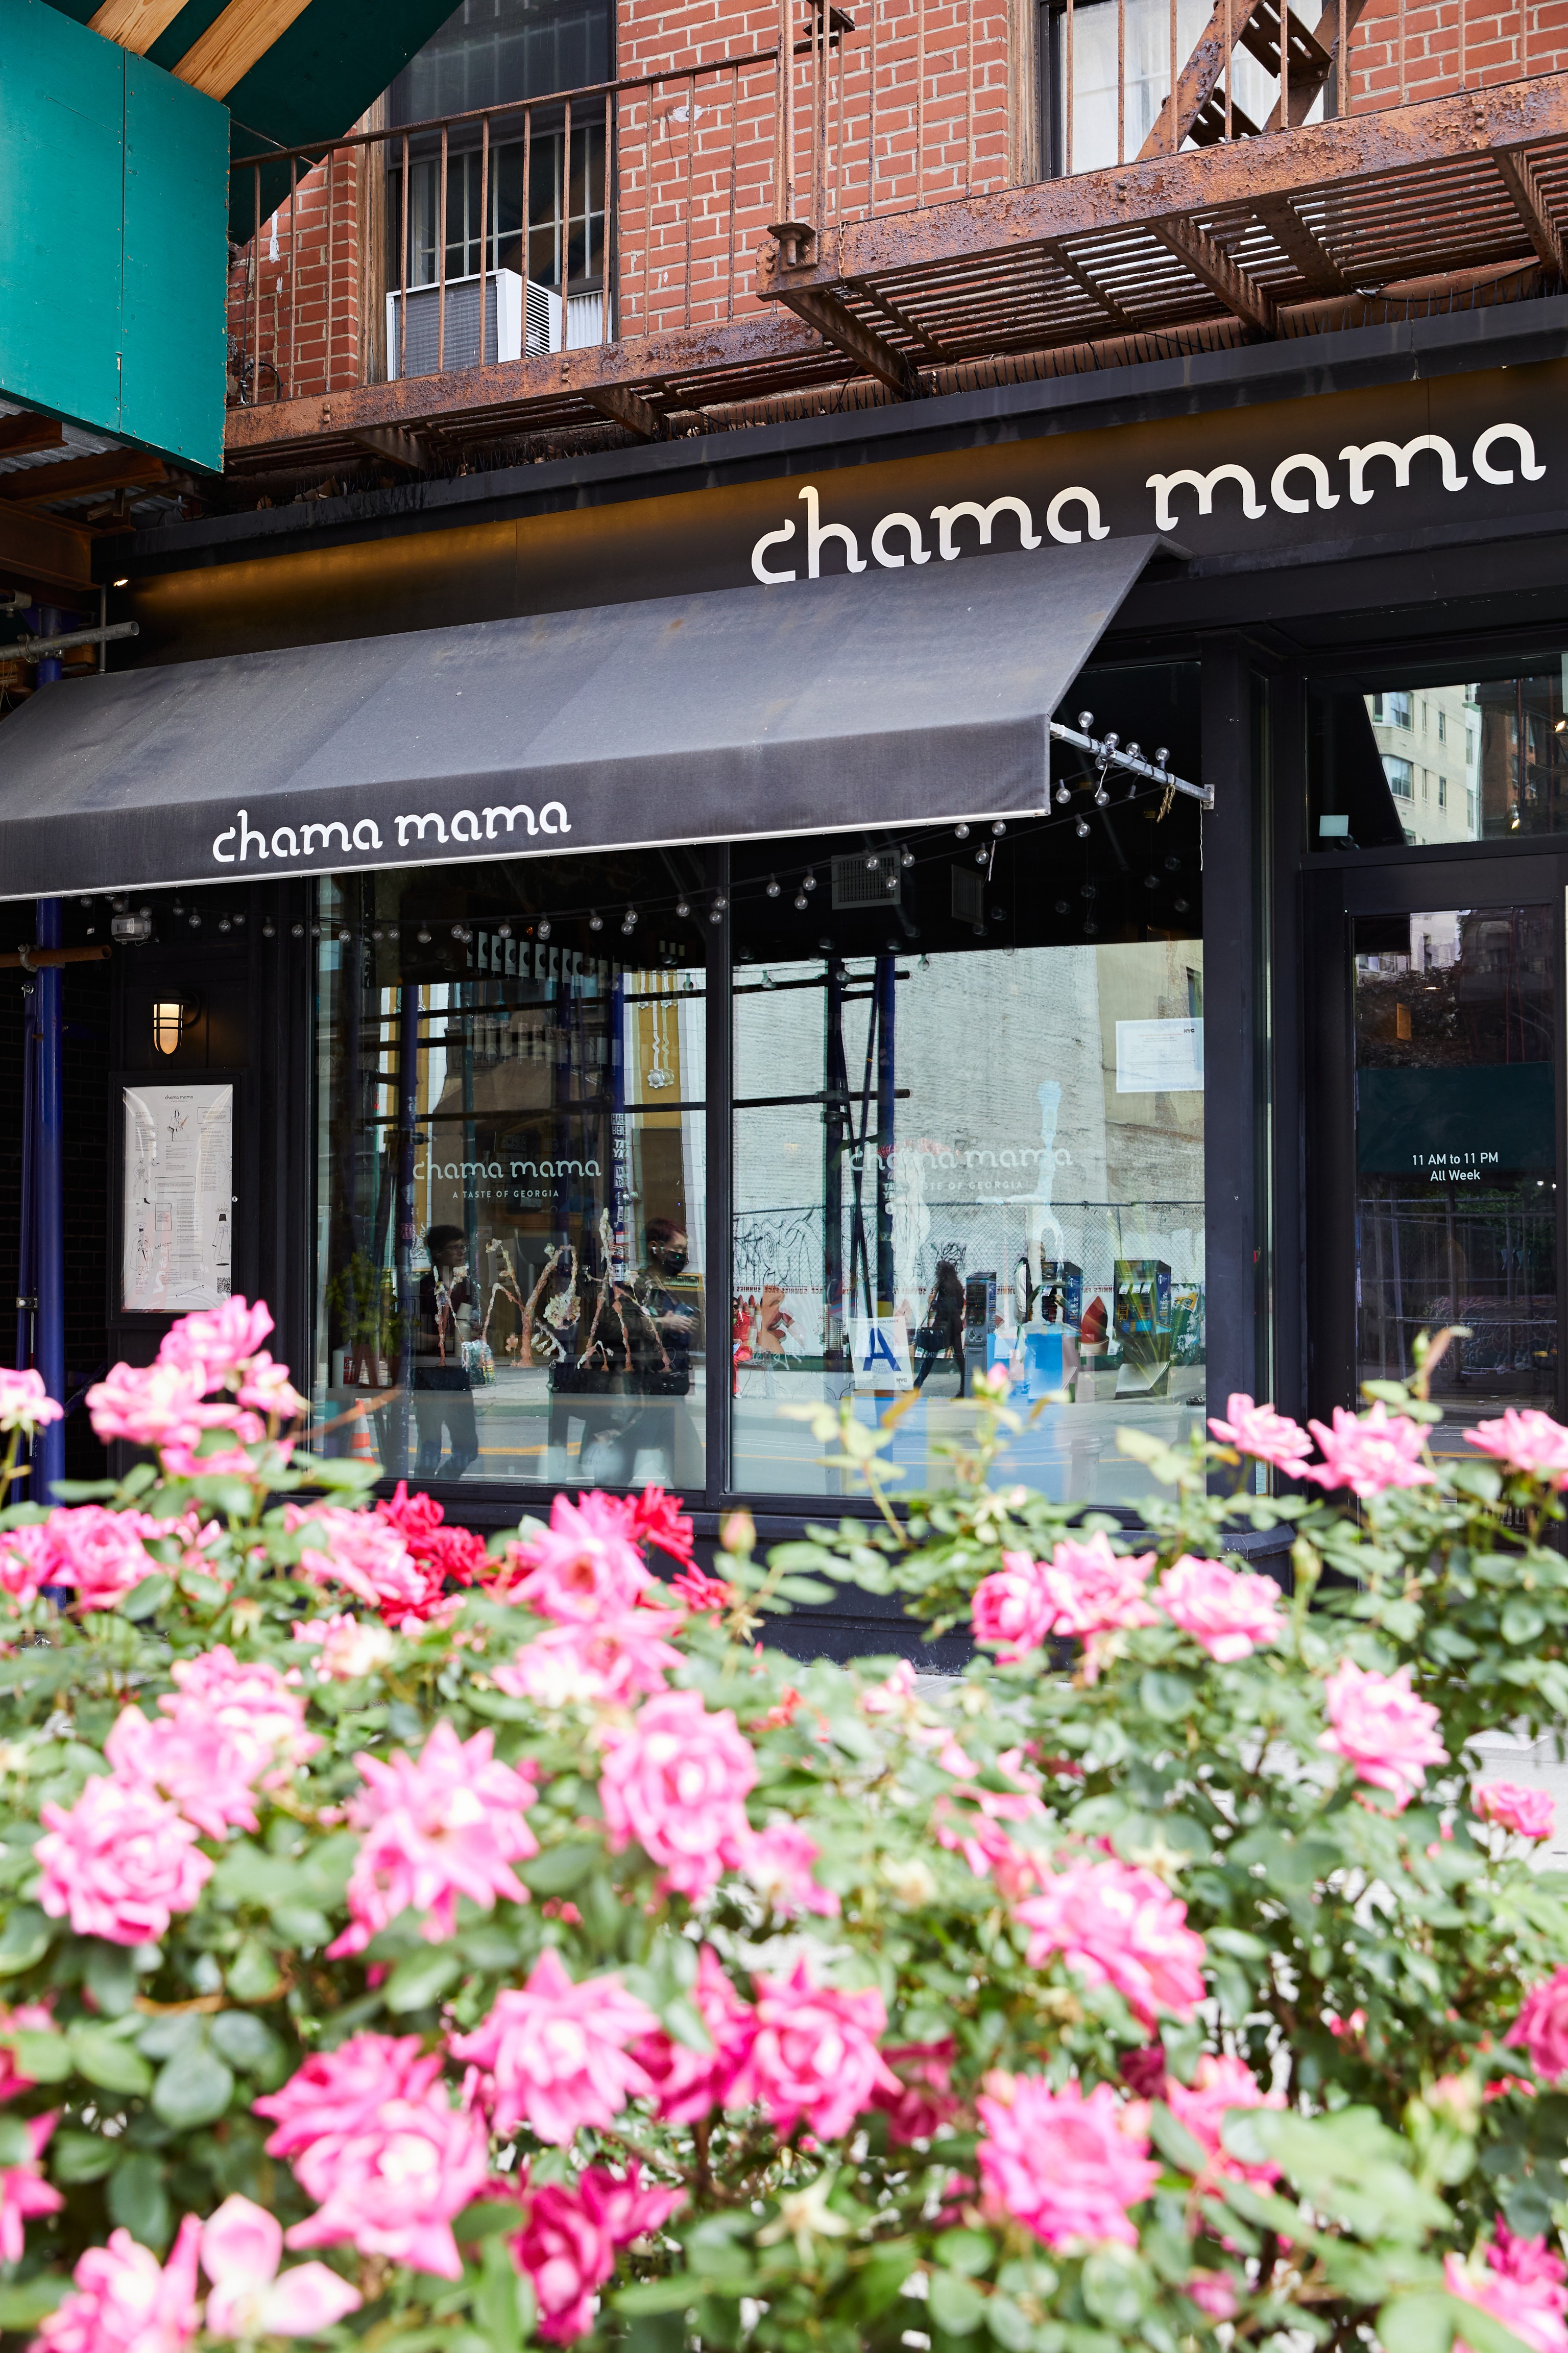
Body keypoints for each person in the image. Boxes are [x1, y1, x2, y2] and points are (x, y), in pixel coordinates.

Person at [411, 1224, 479, 1479]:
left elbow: (467, 1329)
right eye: (455, 1248)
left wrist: (475, 1334)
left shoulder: (466, 1287)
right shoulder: (423, 1289)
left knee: (467, 1448)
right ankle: (425, 1495)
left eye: (464, 1247)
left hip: (457, 1372)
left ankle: (442, 1489)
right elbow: (412, 1337)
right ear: (437, 1253)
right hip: (429, 1372)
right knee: (430, 1445)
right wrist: (447, 1340)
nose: (462, 1253)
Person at [912, 1259, 966, 1395]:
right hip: (955, 1324)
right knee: (959, 1356)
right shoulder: (957, 1285)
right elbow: (959, 1304)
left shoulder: (943, 1286)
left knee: (931, 1355)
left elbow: (944, 1306)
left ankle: (917, 1385)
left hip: (943, 1325)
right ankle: (965, 1386)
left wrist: (933, 1303)